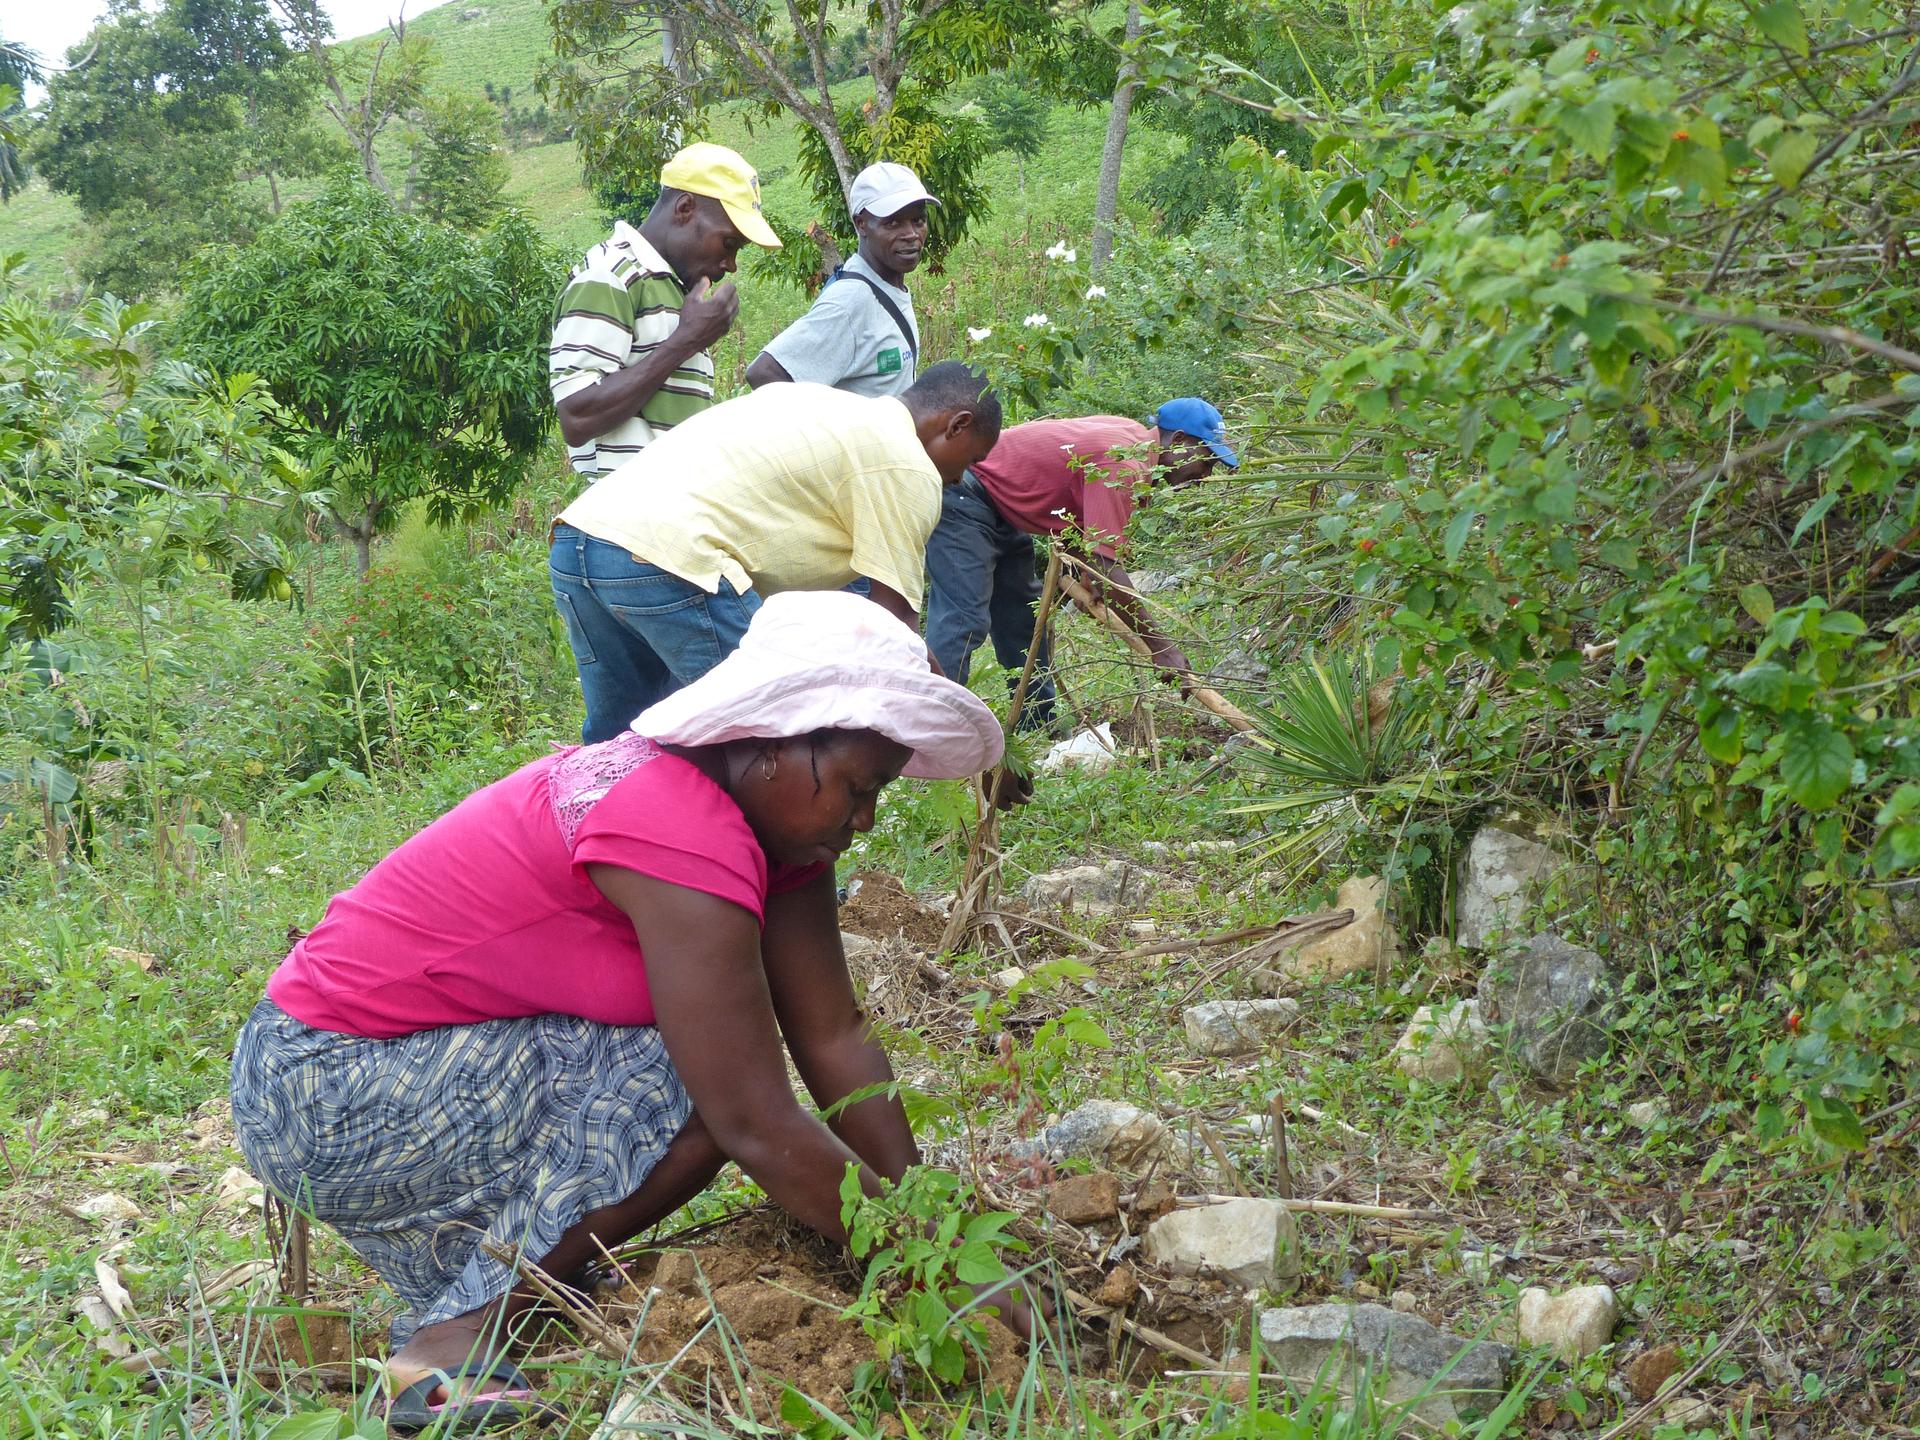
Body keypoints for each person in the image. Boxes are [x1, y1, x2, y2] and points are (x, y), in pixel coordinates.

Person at [230, 593, 1028, 1431]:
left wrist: (941, 1229)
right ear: (770, 740)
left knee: (696, 1066)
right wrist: (927, 1269)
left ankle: (511, 1286)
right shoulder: (677, 827)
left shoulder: (777, 833)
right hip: (319, 1082)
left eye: (878, 795)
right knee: (693, 1083)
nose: (863, 820)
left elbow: (835, 1037)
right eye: (856, 788)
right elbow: (754, 1119)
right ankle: (456, 1335)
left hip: (413, 1065)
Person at [549, 362, 1002, 744]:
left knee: (619, 744)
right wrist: (968, 738)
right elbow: (894, 630)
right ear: (956, 424)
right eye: (970, 459)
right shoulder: (904, 463)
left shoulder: (820, 404)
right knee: (774, 737)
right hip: (673, 559)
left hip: (581, 537)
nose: (961, 479)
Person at [924, 398, 1238, 730]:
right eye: (1207, 461)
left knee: (1023, 618)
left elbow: (1077, 506)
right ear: (1178, 442)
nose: (1205, 475)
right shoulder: (1124, 463)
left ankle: (1038, 726)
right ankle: (929, 730)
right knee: (964, 617)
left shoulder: (1132, 441)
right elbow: (1107, 566)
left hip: (999, 504)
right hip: (965, 489)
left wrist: (1082, 571)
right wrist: (1161, 647)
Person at [550, 142, 782, 479]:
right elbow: (577, 416)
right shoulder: (611, 274)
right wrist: (686, 340)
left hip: (668, 522)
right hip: (622, 524)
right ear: (685, 208)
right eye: (728, 244)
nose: (731, 265)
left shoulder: (674, 290)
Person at [743, 162, 935, 399]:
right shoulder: (849, 302)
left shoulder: (887, 287)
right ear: (861, 224)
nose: (911, 234)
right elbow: (765, 373)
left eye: (918, 221)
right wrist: (836, 433)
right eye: (893, 223)